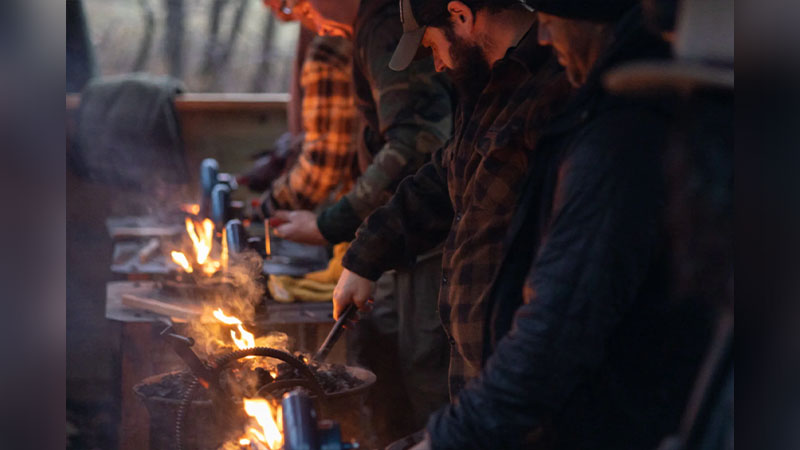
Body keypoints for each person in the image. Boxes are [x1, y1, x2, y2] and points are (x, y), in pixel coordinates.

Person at [406, 1, 714, 448]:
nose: (546, 40)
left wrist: (451, 437)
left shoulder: (618, 141)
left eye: (551, 24)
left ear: (593, 24)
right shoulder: (605, 121)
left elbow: (558, 323)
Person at [331, 0, 571, 403]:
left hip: (518, 384)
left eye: (433, 45)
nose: (438, 65)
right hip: (476, 377)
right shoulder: (483, 87)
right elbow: (445, 176)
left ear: (460, 14)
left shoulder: (552, 91)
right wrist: (365, 255)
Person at [266, 0, 457, 443]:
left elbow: (416, 144)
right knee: (389, 369)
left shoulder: (385, 27)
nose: (308, 21)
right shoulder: (366, 30)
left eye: (300, 5)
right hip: (399, 236)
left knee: (428, 378)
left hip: (431, 238)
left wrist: (332, 223)